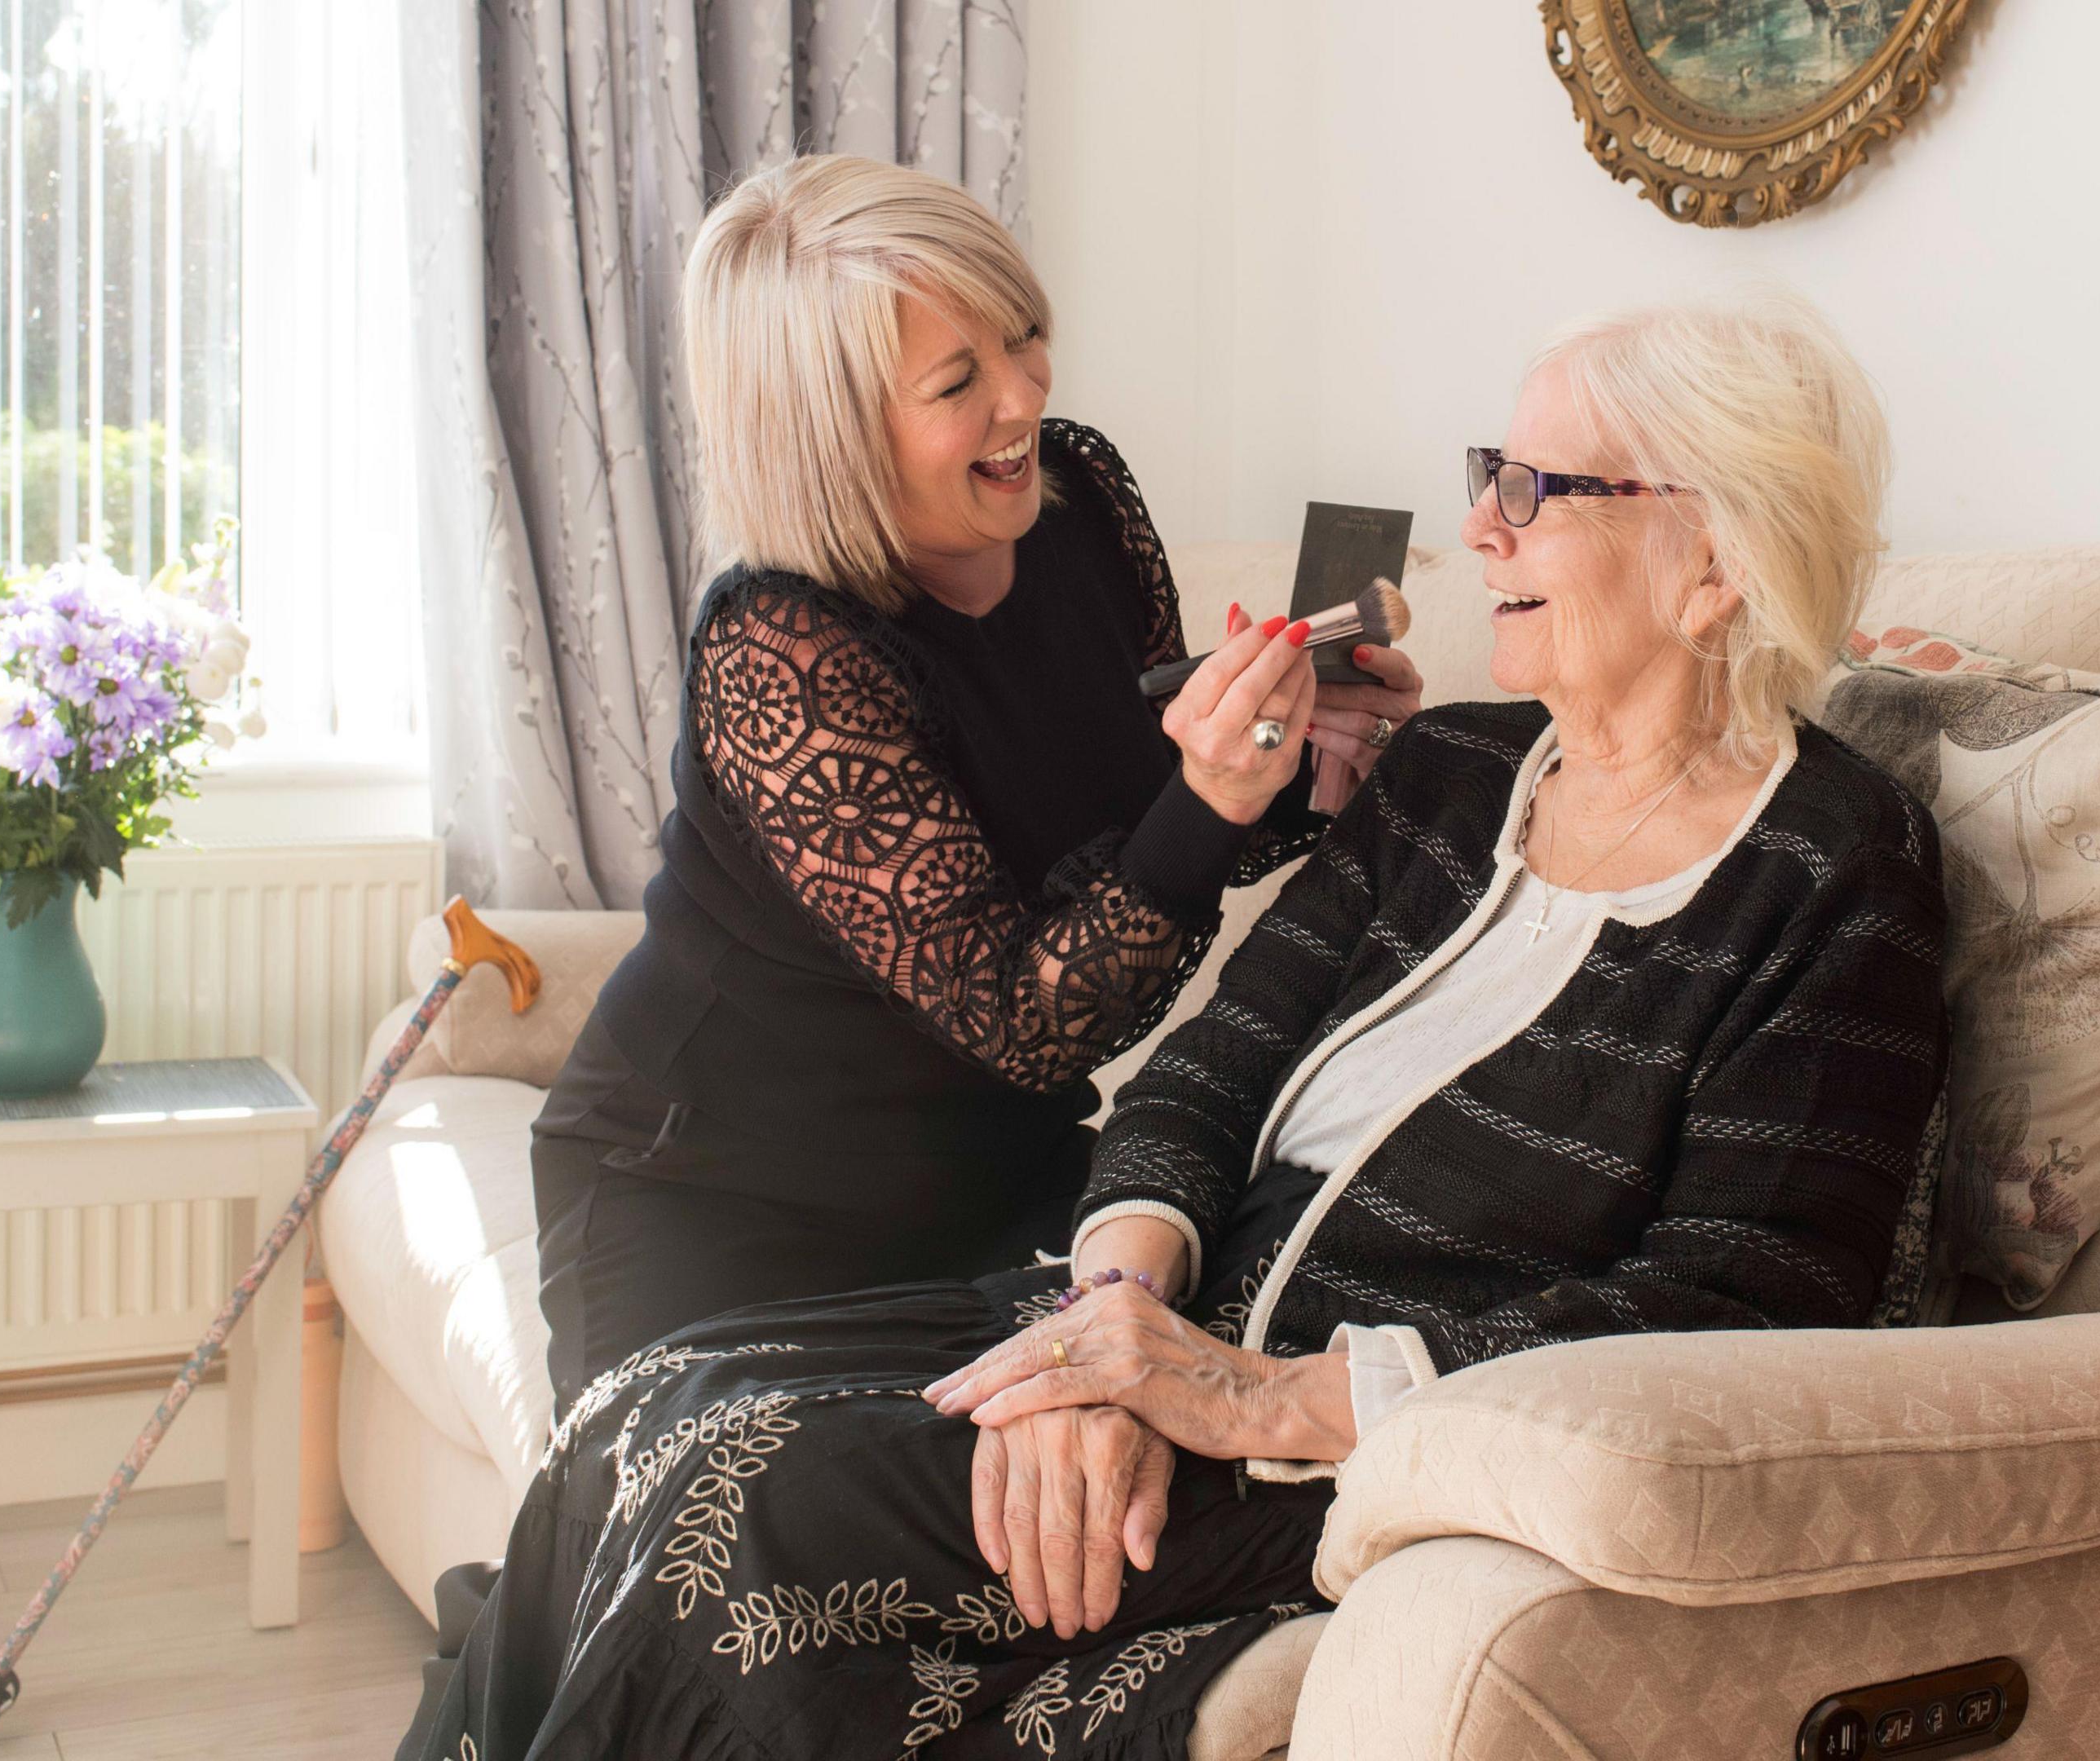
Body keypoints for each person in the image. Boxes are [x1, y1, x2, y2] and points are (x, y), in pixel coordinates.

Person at [409, 286, 1947, 1761]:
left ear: (1713, 560)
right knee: (641, 1419)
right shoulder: (1456, 773)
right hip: (1125, 1310)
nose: (1479, 525)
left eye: (1539, 488)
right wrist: (1110, 1338)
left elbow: (1751, 1299)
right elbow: (1200, 1073)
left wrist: (1252, 1397)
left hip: (1349, 1436)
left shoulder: (1832, 860)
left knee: (732, 1509)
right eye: (1496, 472)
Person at [529, 155, 1427, 1406]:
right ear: (832, 427)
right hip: (719, 1200)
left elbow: (1135, 821)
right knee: (702, 1551)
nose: (1022, 397)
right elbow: (1020, 1012)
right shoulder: (779, 648)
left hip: (997, 1174)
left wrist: (1295, 766)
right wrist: (1220, 794)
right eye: (958, 382)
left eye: (1024, 337)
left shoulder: (1083, 495)